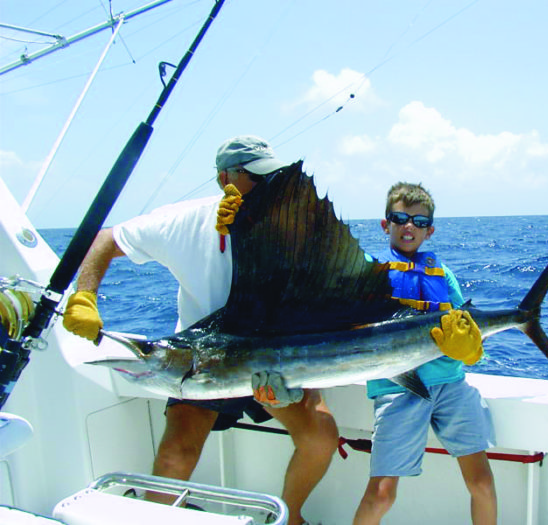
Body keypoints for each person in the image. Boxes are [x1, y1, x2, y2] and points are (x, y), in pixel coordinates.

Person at [62, 135, 338, 525]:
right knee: (177, 452)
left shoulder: (296, 226)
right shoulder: (185, 220)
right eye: (255, 177)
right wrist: (84, 296)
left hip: (272, 362)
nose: (268, 185)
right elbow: (106, 238)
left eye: (272, 176)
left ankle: (290, 518)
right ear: (223, 177)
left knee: (321, 436)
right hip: (202, 362)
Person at [353, 182, 497, 525]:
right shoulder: (369, 271)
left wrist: (471, 349)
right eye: (400, 218)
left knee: (481, 481)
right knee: (383, 493)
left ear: (429, 231)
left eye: (418, 222)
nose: (408, 227)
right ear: (385, 224)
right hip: (397, 387)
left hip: (450, 383)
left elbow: (466, 326)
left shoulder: (442, 274)